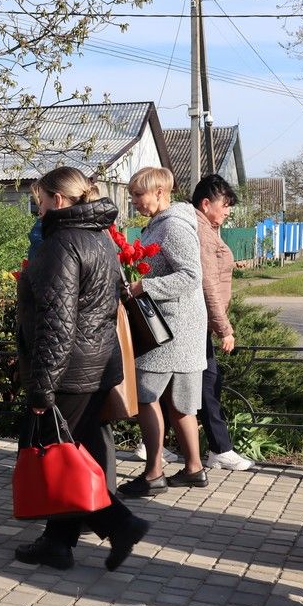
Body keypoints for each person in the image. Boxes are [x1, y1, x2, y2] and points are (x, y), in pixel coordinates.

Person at [13, 166, 151, 573]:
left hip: (69, 370)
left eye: (40, 199)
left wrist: (43, 386)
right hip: (96, 364)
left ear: (58, 199)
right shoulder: (100, 237)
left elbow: (57, 321)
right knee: (74, 455)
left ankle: (119, 524)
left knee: (56, 456)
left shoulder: (61, 244)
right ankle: (59, 543)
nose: (38, 208)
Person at [117, 166, 209, 496]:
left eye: (138, 194)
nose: (134, 201)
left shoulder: (172, 226)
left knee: (147, 397)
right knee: (180, 403)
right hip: (177, 327)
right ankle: (194, 469)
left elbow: (191, 277)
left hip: (168, 330)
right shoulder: (162, 224)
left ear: (159, 192)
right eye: (131, 195)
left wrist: (144, 286)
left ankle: (154, 473)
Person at [191, 174, 253, 471]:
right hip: (199, 322)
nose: (228, 211)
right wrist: (224, 328)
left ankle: (156, 444)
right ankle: (220, 449)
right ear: (206, 204)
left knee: (200, 385)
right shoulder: (202, 233)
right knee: (208, 385)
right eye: (224, 205)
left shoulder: (208, 229)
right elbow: (208, 284)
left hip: (200, 323)